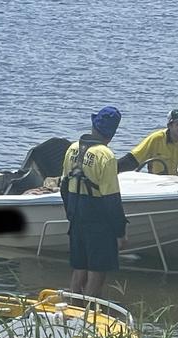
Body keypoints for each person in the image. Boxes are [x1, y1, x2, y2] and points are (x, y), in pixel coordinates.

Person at [60, 106, 128, 297]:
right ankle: (89, 311)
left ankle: (73, 307)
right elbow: (111, 199)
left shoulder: (72, 148)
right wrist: (120, 232)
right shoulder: (106, 156)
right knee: (97, 270)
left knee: (80, 265)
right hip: (98, 218)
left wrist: (71, 215)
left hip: (76, 214)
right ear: (112, 132)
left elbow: (64, 186)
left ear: (93, 125)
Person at [117, 109, 178, 175]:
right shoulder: (156, 139)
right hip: (158, 184)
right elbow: (133, 159)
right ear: (169, 126)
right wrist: (113, 170)